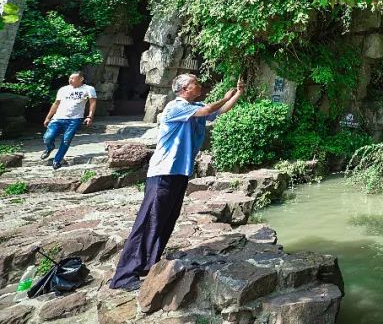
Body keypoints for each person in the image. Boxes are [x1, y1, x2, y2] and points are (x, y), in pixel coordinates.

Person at [109, 73, 244, 291]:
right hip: (164, 172)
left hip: (179, 173)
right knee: (148, 222)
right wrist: (225, 95)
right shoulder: (175, 107)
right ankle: (124, 276)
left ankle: (147, 265)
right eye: (195, 83)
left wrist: (237, 94)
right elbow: (209, 110)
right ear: (184, 89)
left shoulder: (195, 106)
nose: (199, 85)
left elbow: (218, 111)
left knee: (166, 220)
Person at [41, 72, 97, 170]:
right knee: (47, 137)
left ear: (81, 79)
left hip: (74, 119)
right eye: (69, 78)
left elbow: (93, 102)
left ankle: (57, 160)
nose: (70, 80)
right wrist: (48, 117)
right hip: (58, 117)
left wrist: (90, 116)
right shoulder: (63, 89)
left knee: (66, 140)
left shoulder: (88, 89)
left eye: (73, 78)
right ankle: (49, 148)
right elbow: (56, 103)